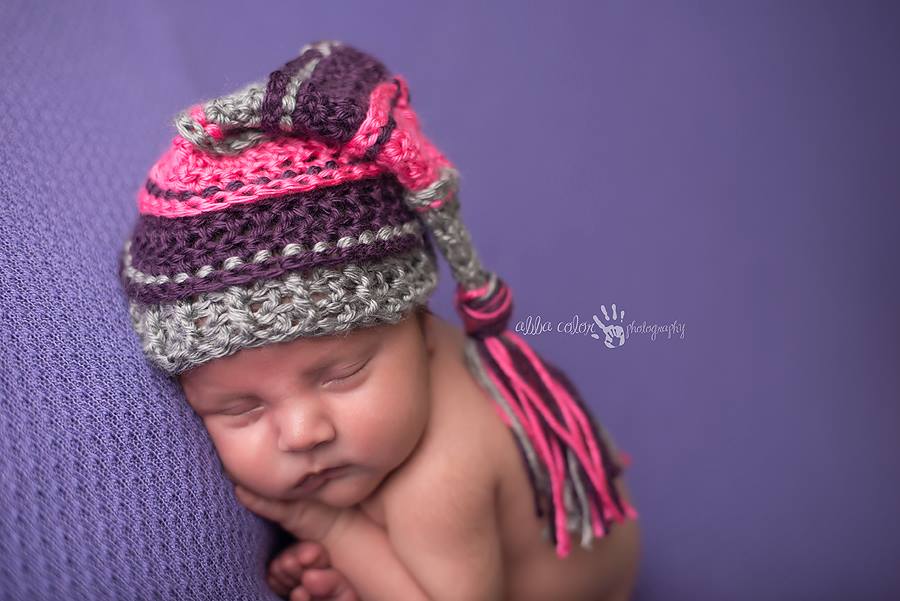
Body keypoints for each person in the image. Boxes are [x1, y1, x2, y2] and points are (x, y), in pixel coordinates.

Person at [119, 39, 640, 601]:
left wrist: (332, 528)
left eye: (341, 375)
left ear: (419, 322)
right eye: (240, 408)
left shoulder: (439, 478)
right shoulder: (395, 391)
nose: (303, 435)